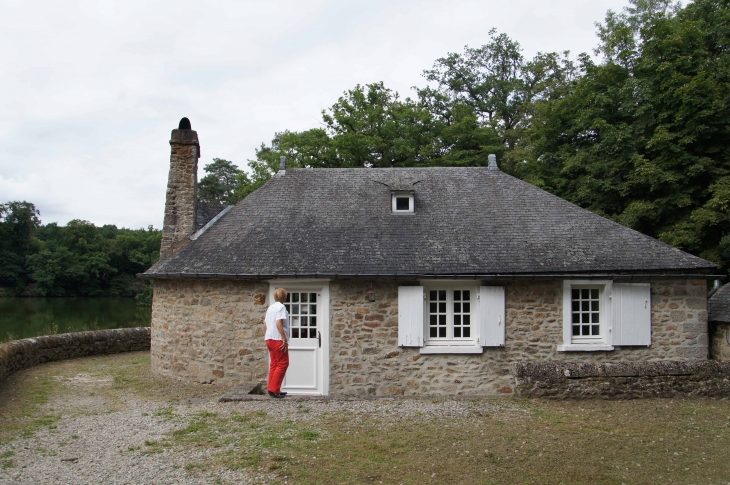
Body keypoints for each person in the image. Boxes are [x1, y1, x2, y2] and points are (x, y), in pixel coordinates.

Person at [263, 287, 290, 398]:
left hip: (269, 338)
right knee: (283, 363)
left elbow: (265, 324)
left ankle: (273, 388)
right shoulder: (281, 307)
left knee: (274, 363)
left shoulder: (270, 307)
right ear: (284, 296)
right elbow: (279, 323)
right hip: (278, 339)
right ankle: (274, 389)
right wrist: (284, 339)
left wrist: (267, 336)